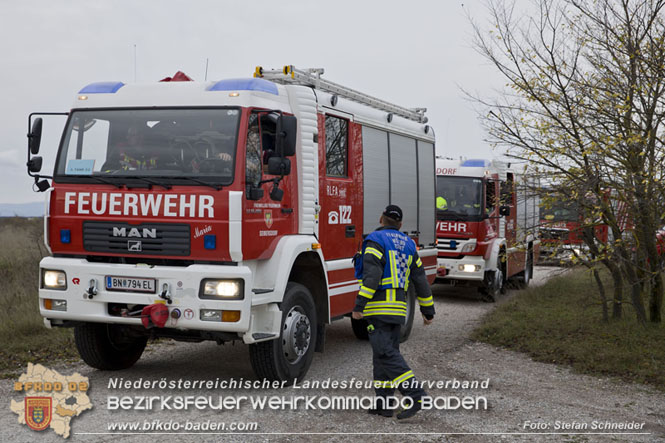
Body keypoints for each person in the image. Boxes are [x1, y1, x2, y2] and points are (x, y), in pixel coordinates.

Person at [352, 205, 436, 420]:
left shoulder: (375, 241)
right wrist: (428, 311)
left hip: (379, 308)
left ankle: (416, 395)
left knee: (385, 354)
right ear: (400, 224)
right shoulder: (409, 244)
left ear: (381, 218)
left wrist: (359, 306)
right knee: (382, 355)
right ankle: (384, 404)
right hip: (398, 310)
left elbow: (372, 277)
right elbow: (420, 280)